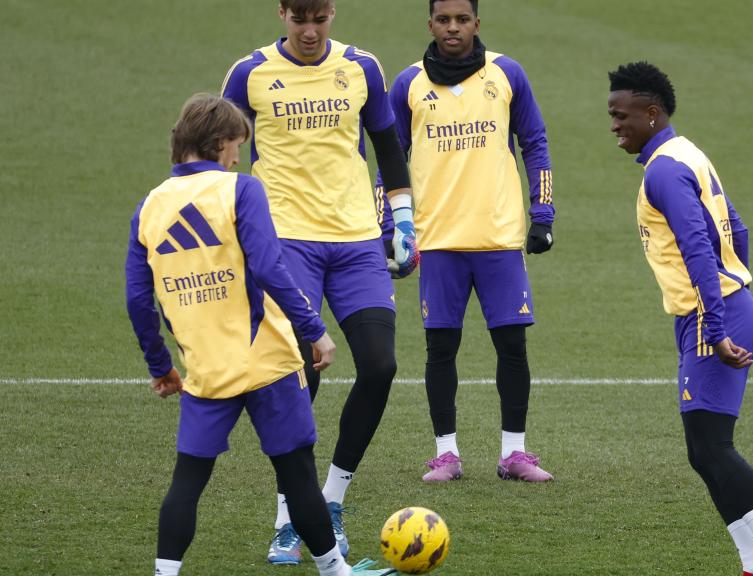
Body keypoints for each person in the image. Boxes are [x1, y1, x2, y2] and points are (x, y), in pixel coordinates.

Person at [221, 0, 417, 564]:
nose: (310, 31)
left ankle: (330, 500)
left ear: (333, 13)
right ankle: (288, 517)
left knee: (379, 365)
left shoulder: (362, 68)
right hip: (286, 242)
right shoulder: (250, 73)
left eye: (320, 19)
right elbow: (220, 152)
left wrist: (403, 220)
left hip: (356, 241)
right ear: (281, 13)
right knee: (299, 376)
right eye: (299, 19)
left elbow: (388, 148)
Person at [125, 93, 352, 576]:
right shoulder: (241, 190)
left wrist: (161, 367)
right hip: (268, 362)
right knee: (297, 474)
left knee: (188, 481)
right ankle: (336, 570)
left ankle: (164, 573)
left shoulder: (149, 208)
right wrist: (314, 329)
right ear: (219, 142)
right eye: (236, 146)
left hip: (206, 371)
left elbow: (138, 301)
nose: (236, 157)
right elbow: (269, 267)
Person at [606, 62, 753, 576]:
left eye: (621, 115)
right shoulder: (688, 153)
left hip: (711, 315)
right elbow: (736, 229)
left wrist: (717, 325)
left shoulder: (663, 170)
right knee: (702, 450)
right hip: (719, 308)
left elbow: (699, 248)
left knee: (713, 447)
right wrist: (738, 289)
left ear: (651, 113)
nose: (614, 125)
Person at [384, 0, 555, 483]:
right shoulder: (408, 84)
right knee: (440, 348)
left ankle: (514, 454)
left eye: (462, 20)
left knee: (512, 346)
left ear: (477, 23)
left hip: (499, 238)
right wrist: (388, 225)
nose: (453, 28)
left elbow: (535, 141)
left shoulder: (507, 74)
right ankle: (447, 455)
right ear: (430, 25)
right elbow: (390, 161)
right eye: (444, 20)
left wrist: (542, 213)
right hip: (437, 240)